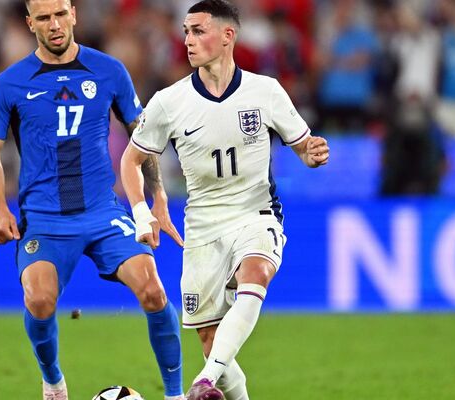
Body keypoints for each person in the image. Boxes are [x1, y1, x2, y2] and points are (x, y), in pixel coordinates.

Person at [119, 1, 329, 399]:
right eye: (186, 31)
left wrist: (313, 152)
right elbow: (131, 161)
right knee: (212, 339)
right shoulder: (169, 102)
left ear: (227, 36)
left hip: (256, 214)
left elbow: (303, 145)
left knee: (256, 273)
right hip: (201, 229)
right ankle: (217, 374)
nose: (188, 40)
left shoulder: (265, 91)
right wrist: (141, 211)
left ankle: (203, 381)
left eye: (198, 31)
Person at [0, 1, 183, 399]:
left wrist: (156, 195)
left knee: (154, 292)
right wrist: (0, 210)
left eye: (59, 14)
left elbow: (143, 138)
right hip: (44, 217)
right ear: (30, 24)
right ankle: (53, 380)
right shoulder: (10, 83)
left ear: (73, 14)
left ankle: (175, 395)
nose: (53, 25)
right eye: (43, 18)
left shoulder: (108, 70)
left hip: (102, 210)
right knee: (39, 300)